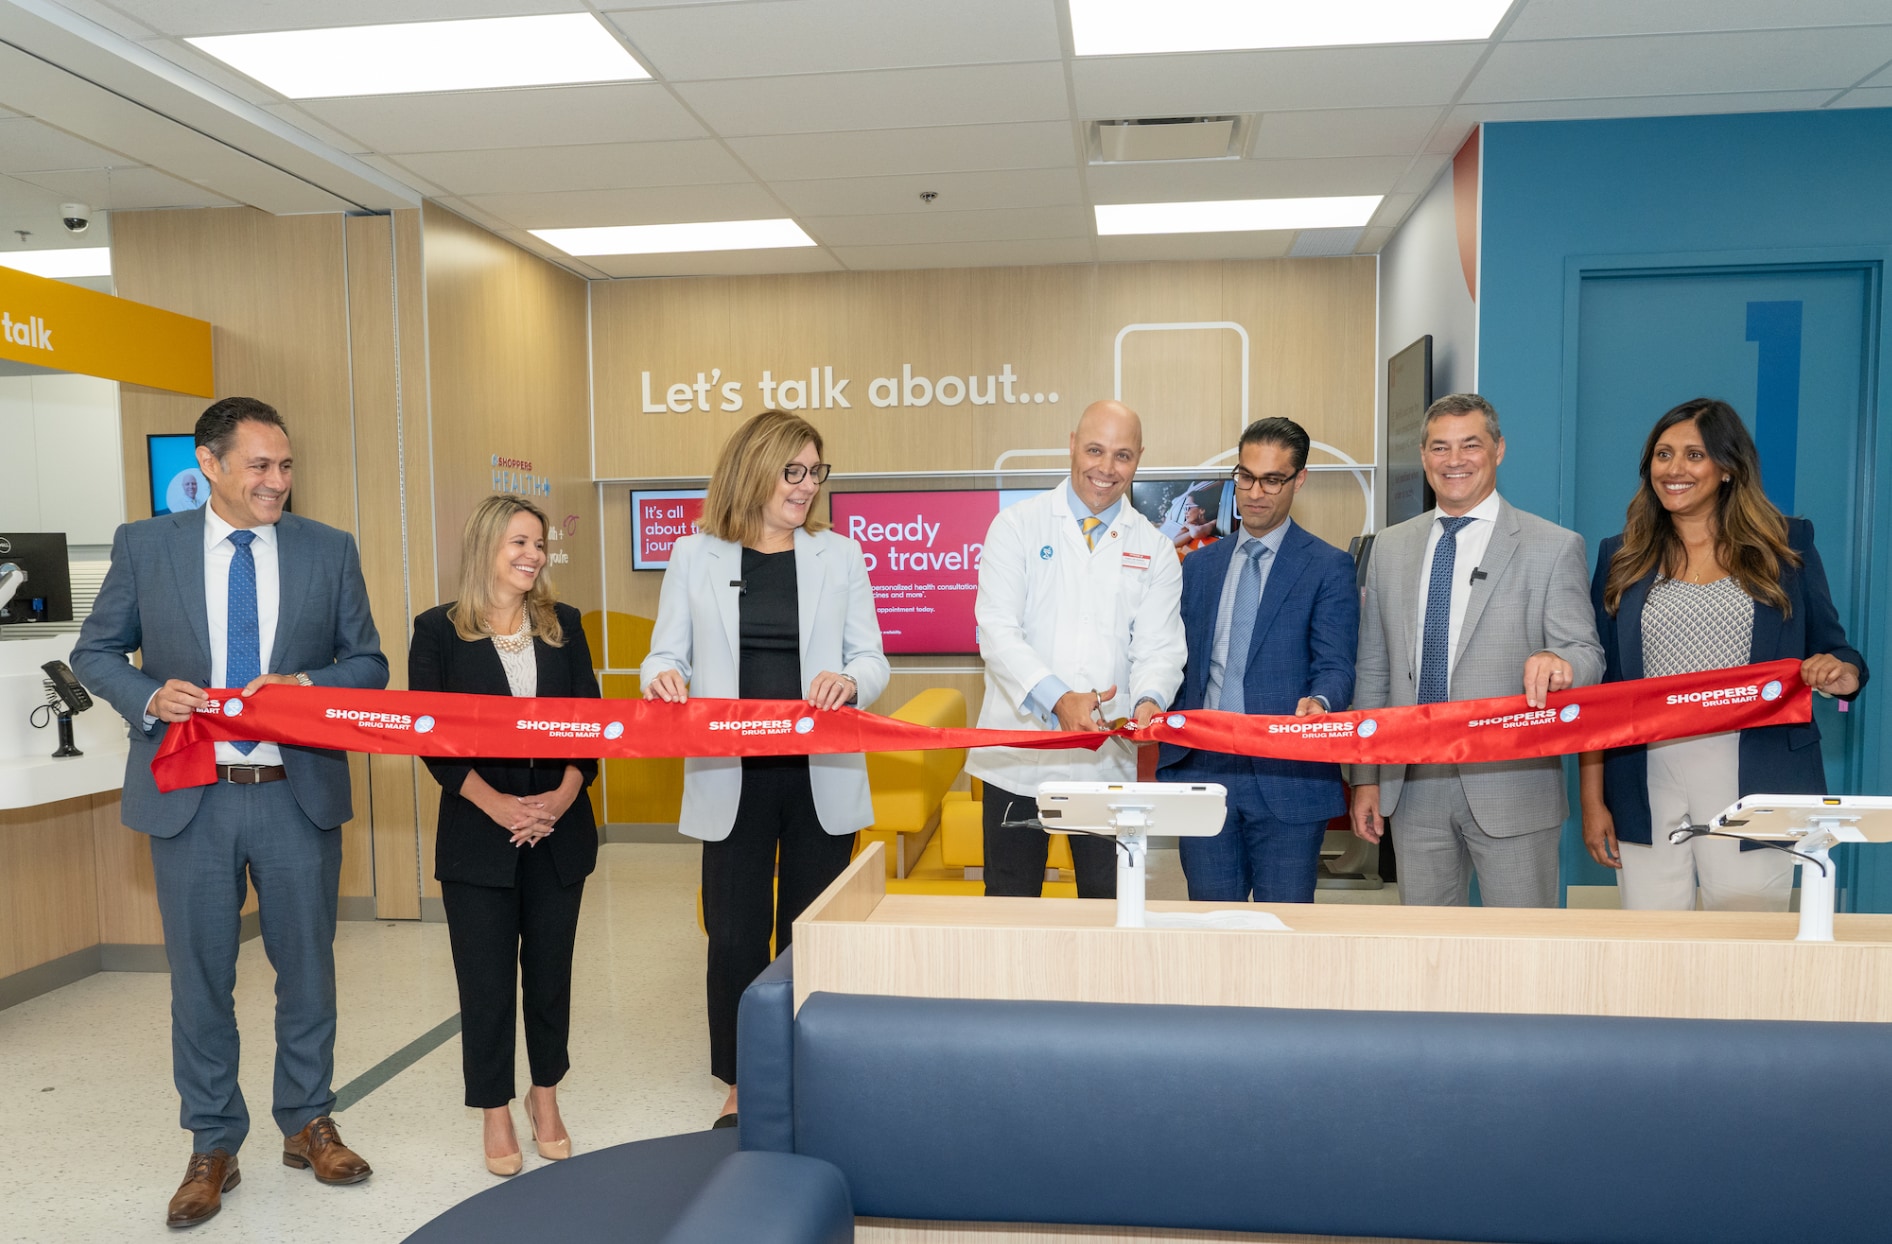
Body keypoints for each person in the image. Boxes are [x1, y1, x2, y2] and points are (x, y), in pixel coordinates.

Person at [71, 397, 386, 1227]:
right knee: (202, 981)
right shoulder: (147, 547)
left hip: (298, 794)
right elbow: (95, 651)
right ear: (208, 465)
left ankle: (307, 1121)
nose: (276, 482)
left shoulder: (329, 550)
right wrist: (149, 696)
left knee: (308, 974)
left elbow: (370, 663)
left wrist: (309, 686)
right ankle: (213, 1141)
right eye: (259, 466)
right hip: (191, 800)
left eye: (285, 466)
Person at [641, 410, 889, 1128]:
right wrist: (662, 677)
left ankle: (811, 1070)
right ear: (756, 468)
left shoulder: (840, 556)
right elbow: (666, 653)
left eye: (817, 472)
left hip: (821, 775)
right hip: (732, 775)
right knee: (737, 935)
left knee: (811, 932)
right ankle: (744, 1080)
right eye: (795, 471)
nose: (808, 485)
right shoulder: (696, 555)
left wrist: (850, 681)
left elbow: (872, 658)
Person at [1580, 398, 1867, 910]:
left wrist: (1841, 671)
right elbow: (1601, 690)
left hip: (1758, 769)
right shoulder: (1619, 555)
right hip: (1645, 775)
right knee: (1653, 941)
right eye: (1663, 455)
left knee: (1745, 942)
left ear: (1729, 467)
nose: (1674, 469)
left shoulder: (1787, 545)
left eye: (1694, 455)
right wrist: (1593, 798)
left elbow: (1833, 645)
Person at [1349, 393, 1603, 908]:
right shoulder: (1390, 548)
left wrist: (1563, 662)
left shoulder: (1552, 546)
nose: (1454, 460)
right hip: (1413, 782)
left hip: (1513, 785)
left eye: (1471, 444)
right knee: (1430, 950)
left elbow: (1587, 652)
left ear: (1499, 450)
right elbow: (1374, 671)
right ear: (1423, 457)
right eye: (1440, 447)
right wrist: (1366, 779)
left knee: (1521, 951)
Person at [409, 495, 600, 1175]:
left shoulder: (565, 626)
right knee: (486, 984)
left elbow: (593, 726)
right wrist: (499, 806)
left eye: (540, 545)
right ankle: (494, 1109)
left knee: (550, 979)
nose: (533, 556)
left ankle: (543, 1096)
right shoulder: (436, 631)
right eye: (519, 542)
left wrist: (559, 797)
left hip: (560, 832)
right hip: (478, 837)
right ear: (487, 546)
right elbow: (430, 740)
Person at [970, 399, 1186, 898]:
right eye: (1095, 449)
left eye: (1123, 455)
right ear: (1072, 444)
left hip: (1105, 760)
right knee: (1010, 904)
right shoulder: (1017, 527)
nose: (1106, 469)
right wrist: (1057, 698)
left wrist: (1148, 703)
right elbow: (997, 631)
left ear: (1139, 459)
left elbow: (1161, 646)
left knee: (1108, 903)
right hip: (1016, 755)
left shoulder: (1153, 548)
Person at [1157, 417, 1359, 903]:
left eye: (1272, 479)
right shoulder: (1201, 565)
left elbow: (1336, 662)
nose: (1255, 492)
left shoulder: (1327, 566)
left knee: (1283, 932)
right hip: (1203, 772)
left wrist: (1322, 700)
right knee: (1211, 926)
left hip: (1287, 776)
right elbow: (1177, 660)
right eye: (1245, 476)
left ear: (1299, 479)